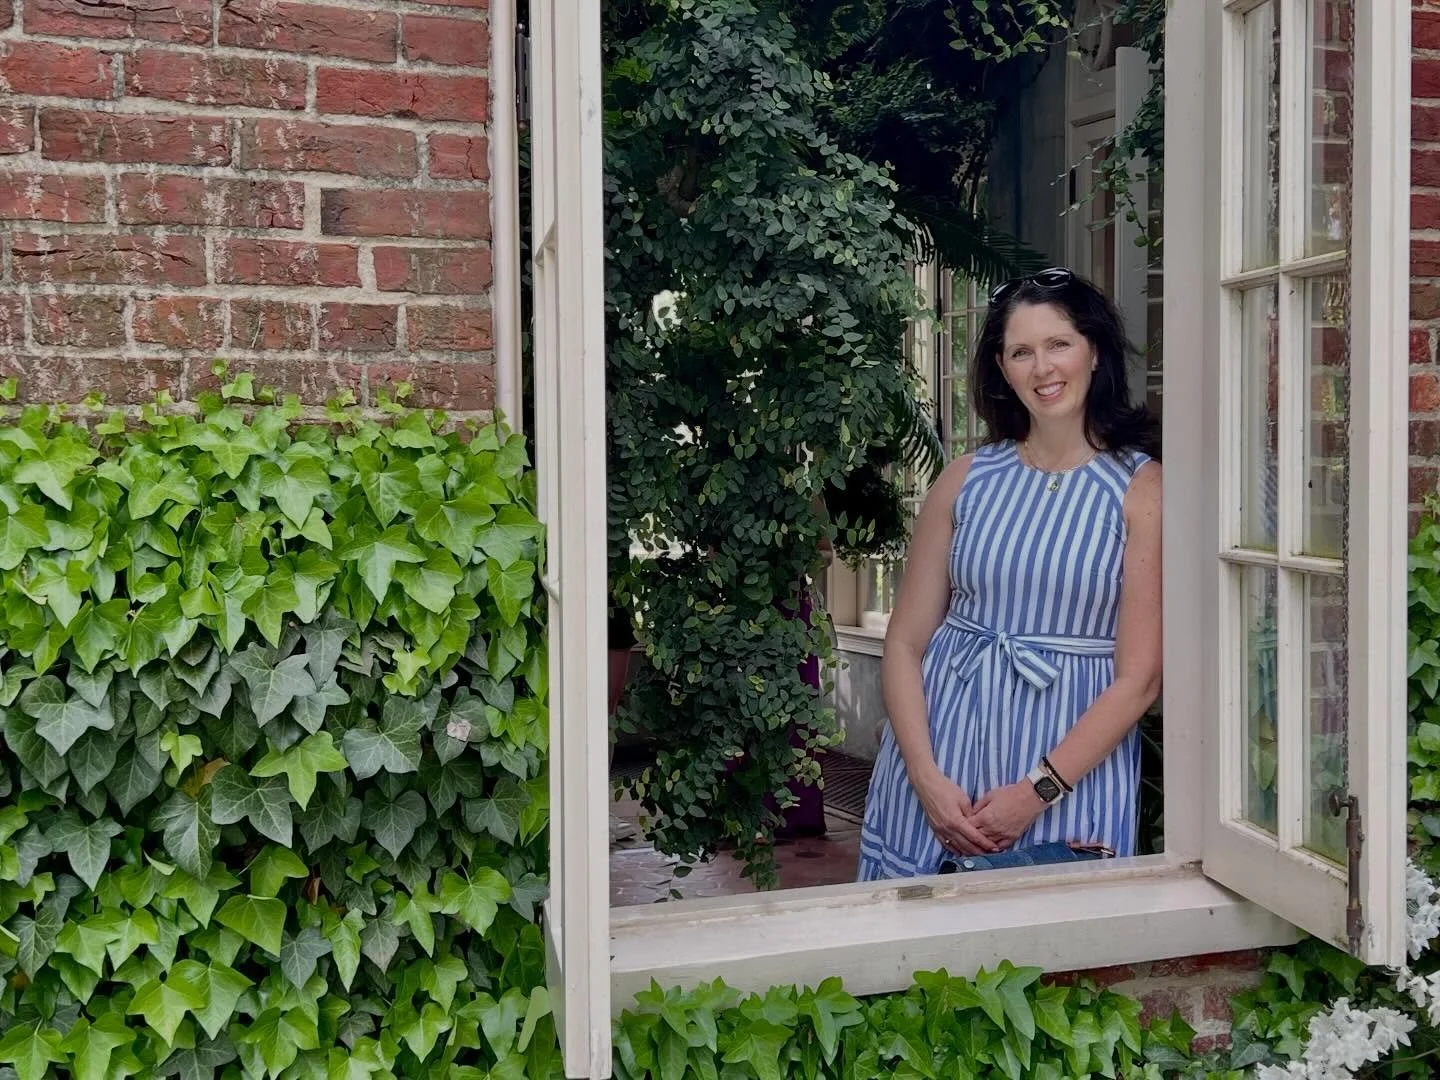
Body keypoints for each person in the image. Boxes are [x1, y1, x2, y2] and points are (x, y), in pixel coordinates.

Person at [857, 267, 1163, 880]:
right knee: (909, 957)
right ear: (1002, 369)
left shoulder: (1142, 489)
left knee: (1048, 959)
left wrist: (1035, 793)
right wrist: (924, 777)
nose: (1043, 368)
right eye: (1021, 352)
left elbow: (1140, 681)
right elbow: (905, 641)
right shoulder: (965, 478)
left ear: (1094, 351)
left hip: (1066, 778)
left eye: (1058, 344)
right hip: (936, 769)